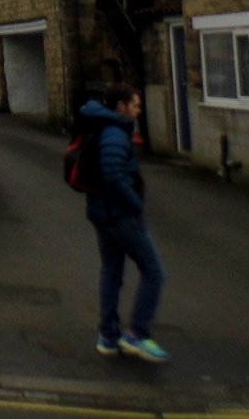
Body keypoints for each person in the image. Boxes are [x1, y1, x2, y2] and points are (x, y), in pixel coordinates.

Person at [76, 83, 169, 363]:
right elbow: (113, 174)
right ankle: (137, 334)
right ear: (121, 107)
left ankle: (108, 336)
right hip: (120, 215)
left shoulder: (104, 127)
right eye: (136, 105)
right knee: (154, 272)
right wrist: (135, 205)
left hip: (103, 213)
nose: (139, 111)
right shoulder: (115, 133)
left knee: (112, 273)